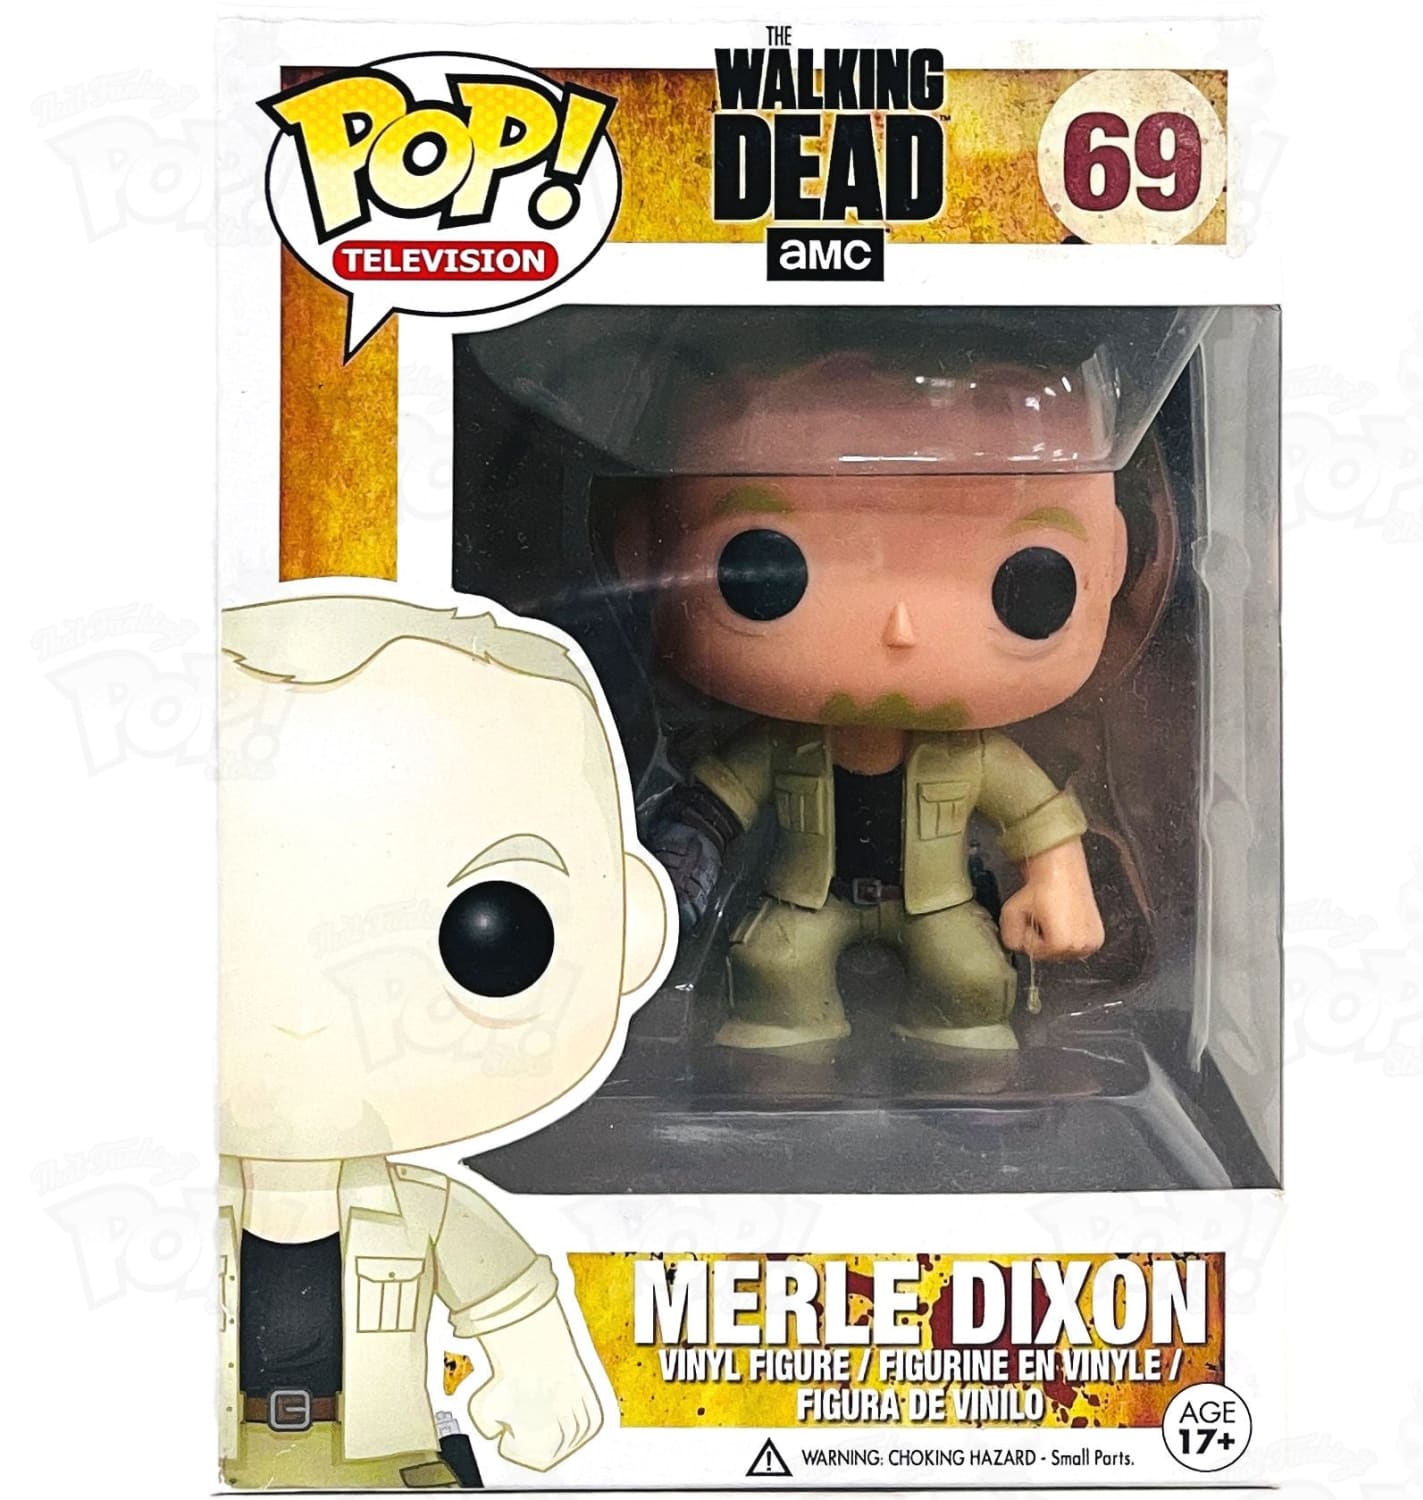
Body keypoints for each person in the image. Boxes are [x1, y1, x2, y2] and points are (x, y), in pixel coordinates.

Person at [218, 594, 669, 1487]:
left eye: (492, 935)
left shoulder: (426, 1212)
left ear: (632, 925)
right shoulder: (159, 1214)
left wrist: (541, 1375)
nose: (307, 1016)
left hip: (384, 1463)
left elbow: (508, 1295)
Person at [621, 354, 1125, 1052]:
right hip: (806, 898)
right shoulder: (783, 744)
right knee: (773, 971)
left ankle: (969, 1083)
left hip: (939, 903)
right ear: (644, 554)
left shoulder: (972, 753)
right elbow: (714, 803)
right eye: (764, 572)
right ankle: (778, 1081)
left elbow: (1035, 814)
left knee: (973, 979)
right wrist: (673, 871)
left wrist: (1061, 878)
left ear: (1112, 563)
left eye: (1031, 586)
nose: (901, 629)